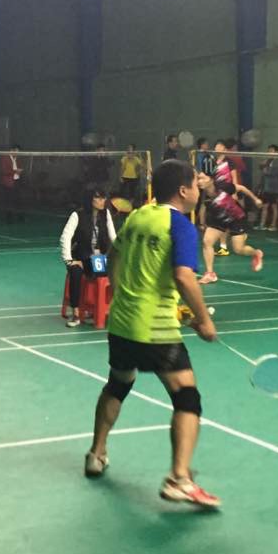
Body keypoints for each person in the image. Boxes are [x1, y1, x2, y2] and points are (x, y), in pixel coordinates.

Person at [85, 159, 220, 508]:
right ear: (183, 191)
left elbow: (113, 256)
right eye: (196, 185)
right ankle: (179, 479)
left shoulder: (138, 216)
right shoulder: (182, 226)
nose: (199, 190)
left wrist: (121, 293)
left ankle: (96, 453)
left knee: (118, 384)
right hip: (156, 330)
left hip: (122, 323)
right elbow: (184, 277)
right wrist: (203, 320)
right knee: (187, 399)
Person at [198, 141, 264, 284]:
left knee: (238, 249)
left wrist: (255, 199)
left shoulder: (223, 186)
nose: (199, 181)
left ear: (211, 180)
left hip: (235, 218)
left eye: (202, 178)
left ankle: (256, 253)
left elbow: (241, 188)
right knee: (207, 241)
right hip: (218, 218)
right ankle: (210, 273)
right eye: (198, 179)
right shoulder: (203, 195)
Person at [60, 188, 118, 327]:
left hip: (99, 259)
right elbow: (65, 237)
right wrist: (69, 260)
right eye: (98, 198)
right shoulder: (77, 215)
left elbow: (114, 237)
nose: (102, 201)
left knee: (117, 273)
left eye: (104, 198)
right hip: (81, 258)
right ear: (90, 199)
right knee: (75, 272)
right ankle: (76, 313)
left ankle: (105, 309)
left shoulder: (106, 214)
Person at [257, 144, 278, 231]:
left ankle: (273, 225)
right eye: (268, 150)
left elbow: (276, 173)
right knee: (265, 206)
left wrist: (266, 170)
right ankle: (262, 224)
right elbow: (261, 167)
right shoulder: (267, 160)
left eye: (271, 150)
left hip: (275, 188)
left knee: (274, 206)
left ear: (277, 152)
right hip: (266, 187)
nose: (269, 152)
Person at [0, 145, 25, 223]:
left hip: (17, 181)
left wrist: (19, 171)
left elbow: (20, 167)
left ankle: (20, 216)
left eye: (18, 153)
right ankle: (9, 217)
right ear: (12, 150)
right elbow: (4, 171)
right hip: (8, 183)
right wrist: (15, 171)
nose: (17, 154)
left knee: (19, 200)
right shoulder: (5, 158)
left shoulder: (18, 159)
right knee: (9, 200)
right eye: (16, 152)